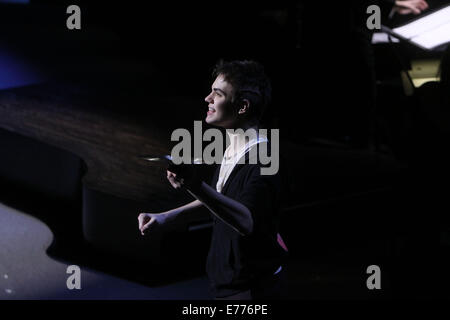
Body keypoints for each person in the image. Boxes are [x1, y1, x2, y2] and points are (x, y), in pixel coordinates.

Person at [138, 60, 288, 300]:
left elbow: (246, 220)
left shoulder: (263, 159)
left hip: (251, 290)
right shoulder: (234, 148)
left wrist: (194, 185)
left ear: (242, 106)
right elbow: (222, 199)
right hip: (228, 284)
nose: (207, 98)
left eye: (217, 94)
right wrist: (166, 216)